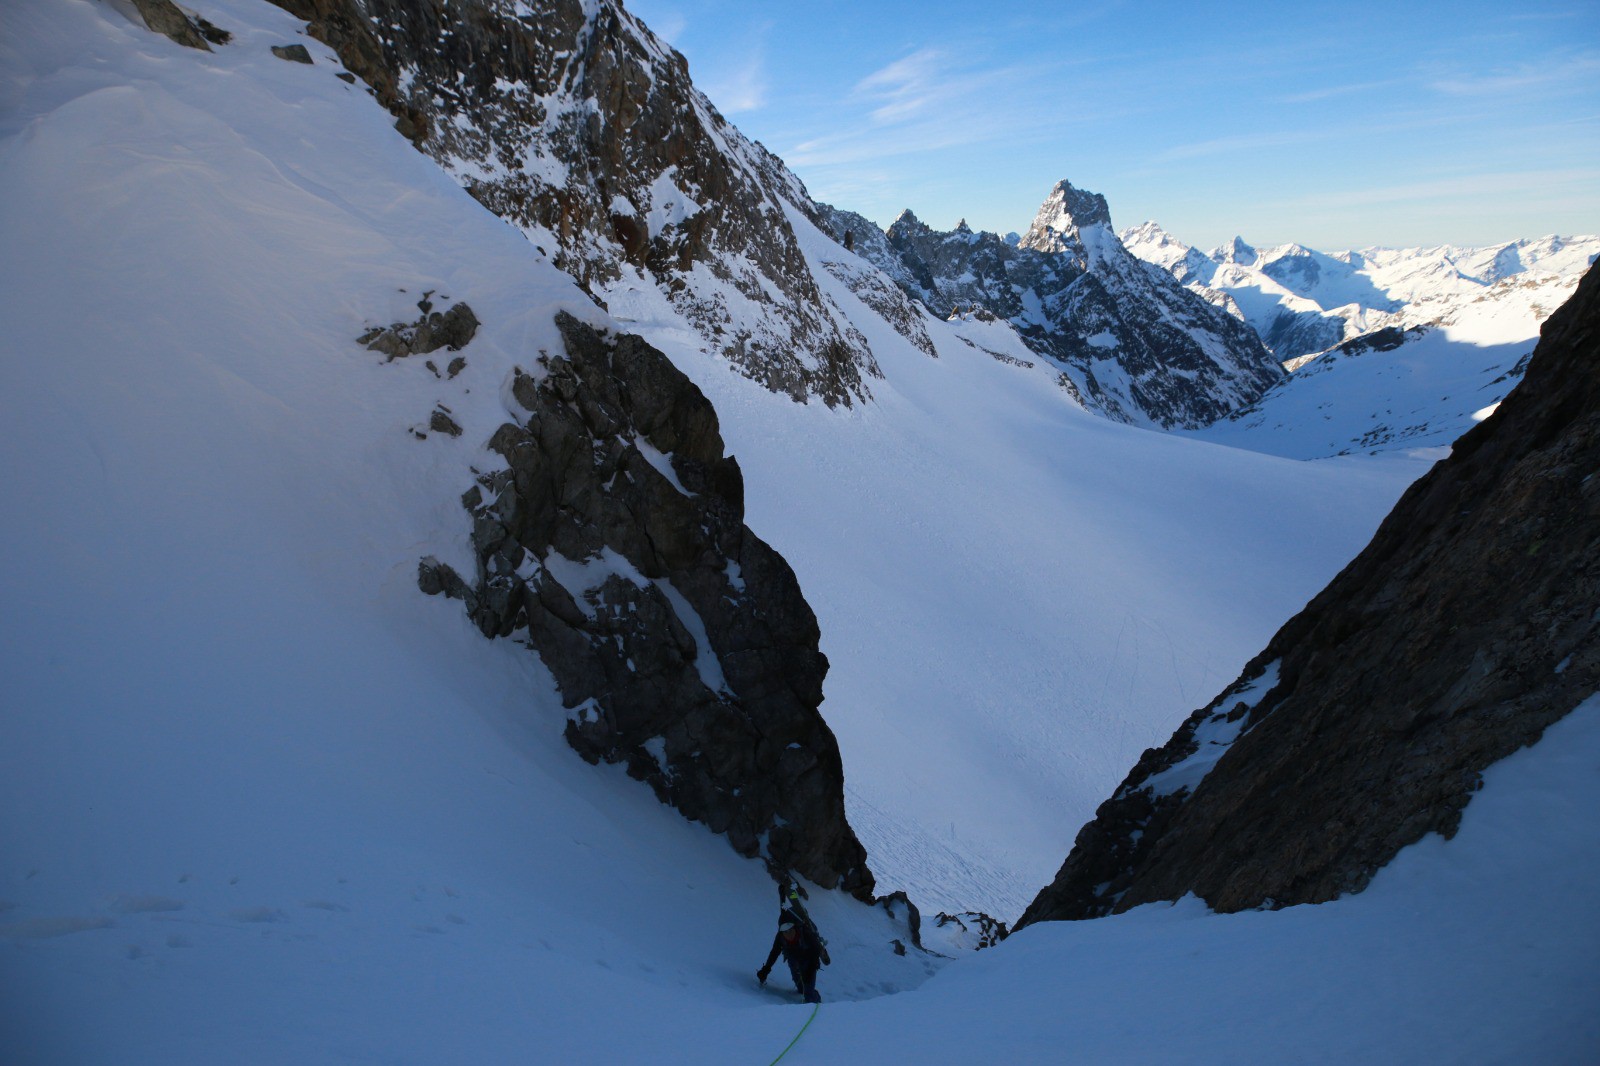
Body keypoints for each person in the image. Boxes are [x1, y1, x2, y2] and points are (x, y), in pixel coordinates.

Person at [757, 909, 828, 1003]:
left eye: (790, 930)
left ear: (795, 927)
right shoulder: (780, 937)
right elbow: (774, 953)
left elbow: (815, 952)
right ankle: (806, 989)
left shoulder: (806, 934)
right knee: (801, 989)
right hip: (793, 959)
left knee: (809, 997)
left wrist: (810, 971)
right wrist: (766, 969)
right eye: (785, 931)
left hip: (809, 960)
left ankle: (816, 1000)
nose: (788, 933)